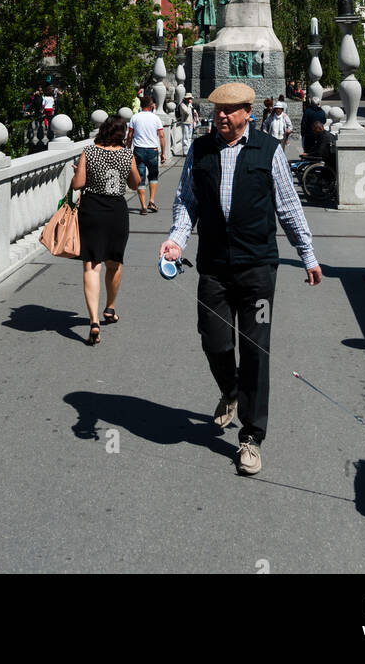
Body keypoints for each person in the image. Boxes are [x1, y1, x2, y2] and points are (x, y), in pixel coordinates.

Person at [160, 82, 321, 476]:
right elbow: (186, 201)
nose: (222, 117)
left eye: (231, 111)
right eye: (217, 110)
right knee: (213, 339)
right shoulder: (200, 151)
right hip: (213, 266)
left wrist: (308, 255)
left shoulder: (267, 150)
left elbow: (287, 206)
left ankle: (251, 436)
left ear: (248, 111)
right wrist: (176, 241)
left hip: (258, 270)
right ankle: (229, 391)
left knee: (255, 350)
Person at [71, 116, 142, 344]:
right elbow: (134, 183)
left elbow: (77, 184)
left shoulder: (89, 152)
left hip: (92, 209)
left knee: (92, 266)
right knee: (114, 263)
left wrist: (78, 171)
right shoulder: (126, 154)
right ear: (121, 134)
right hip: (116, 211)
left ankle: (93, 321)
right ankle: (109, 309)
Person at [127, 94, 166, 213]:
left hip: (138, 149)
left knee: (141, 178)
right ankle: (152, 201)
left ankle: (143, 206)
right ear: (150, 106)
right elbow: (162, 136)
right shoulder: (156, 118)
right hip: (152, 150)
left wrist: (128, 148)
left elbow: (130, 135)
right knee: (153, 176)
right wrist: (163, 153)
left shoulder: (135, 117)